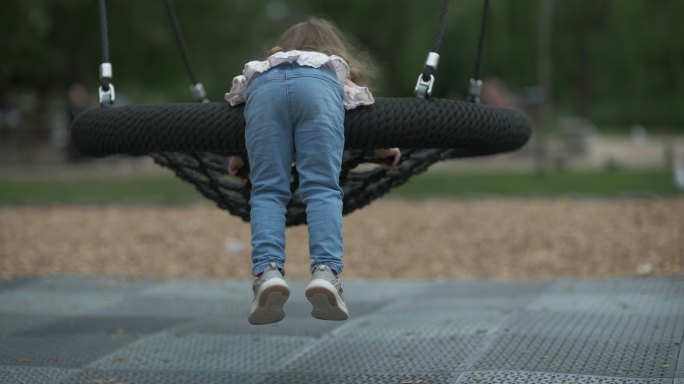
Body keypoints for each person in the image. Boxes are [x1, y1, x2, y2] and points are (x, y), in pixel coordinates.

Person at [225, 17, 400, 325]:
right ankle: (325, 273)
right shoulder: (329, 66)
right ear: (333, 47)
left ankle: (267, 273)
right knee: (321, 188)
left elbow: (243, 117)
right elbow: (366, 117)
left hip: (263, 92)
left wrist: (239, 155)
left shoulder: (265, 67)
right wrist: (386, 151)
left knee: (266, 190)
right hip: (317, 91)